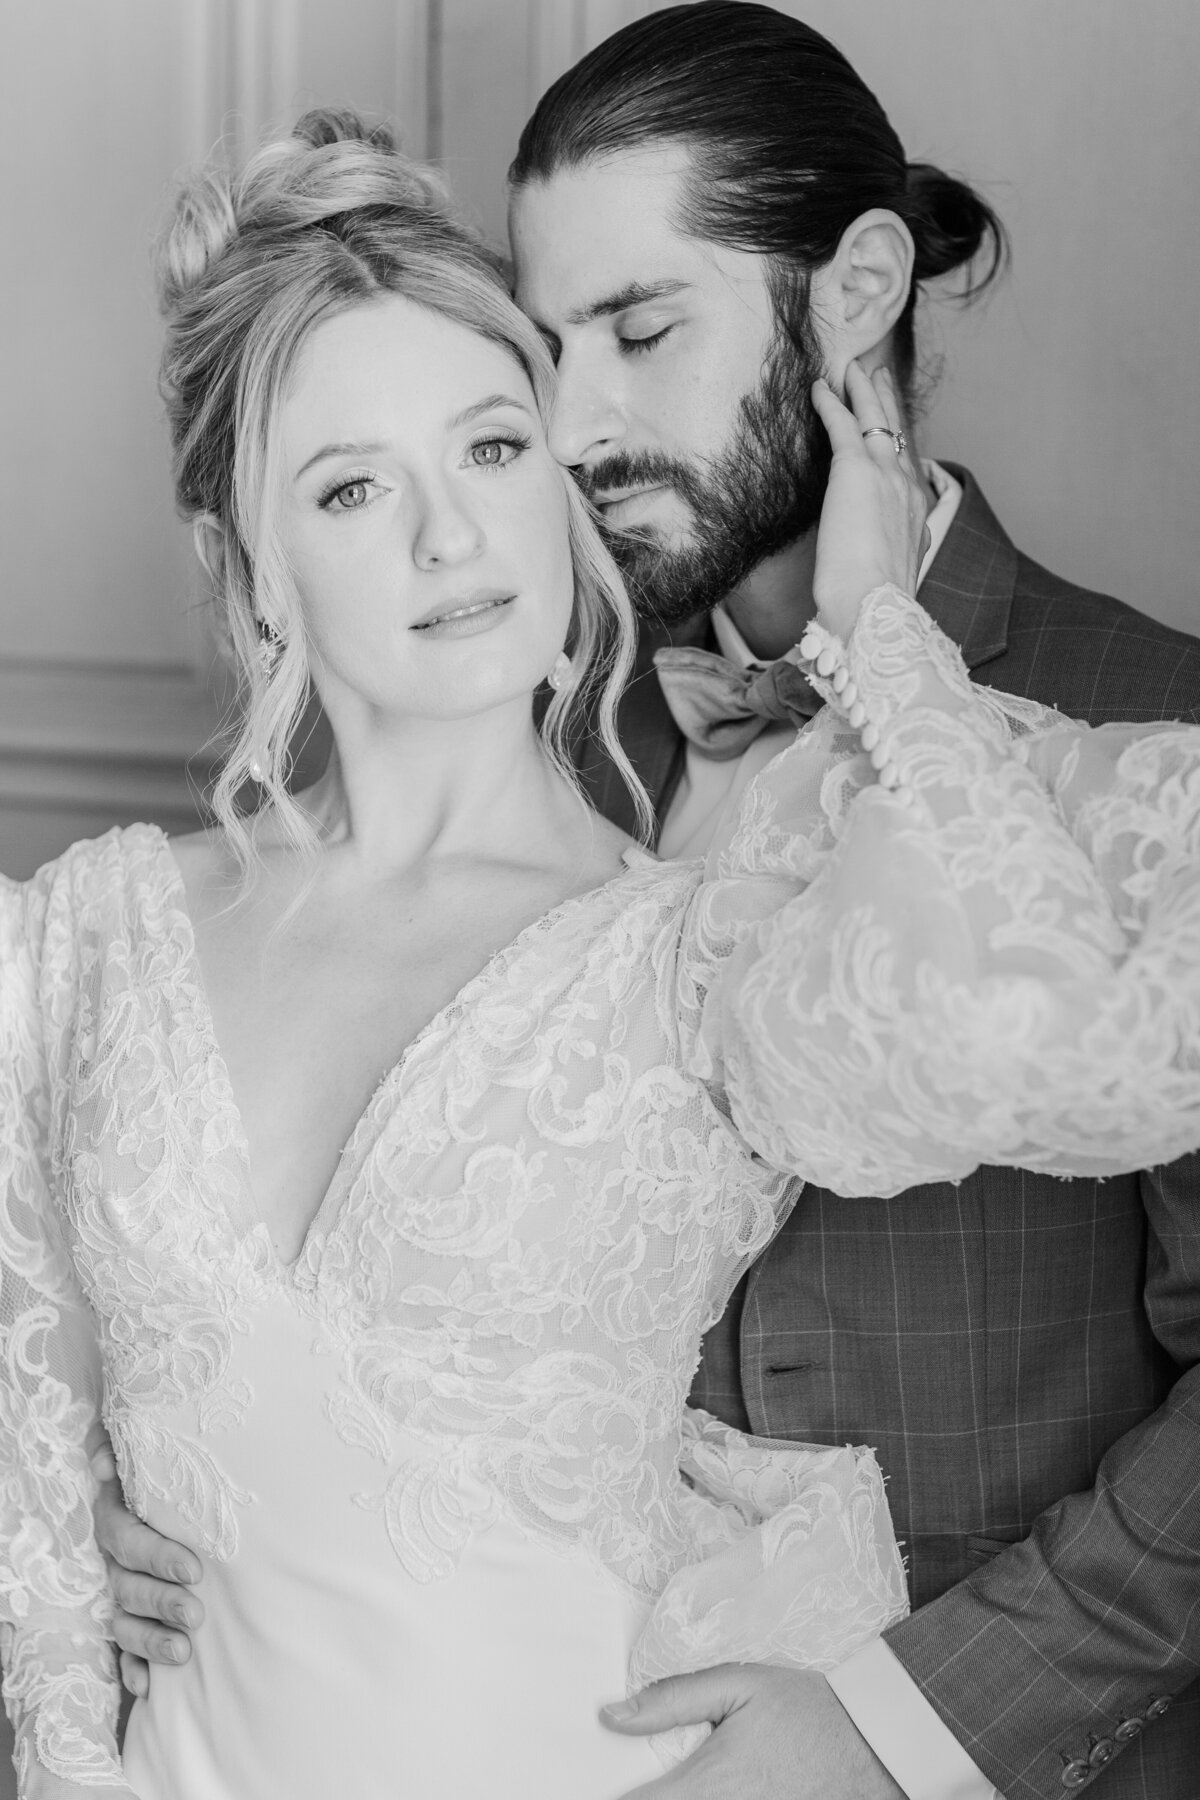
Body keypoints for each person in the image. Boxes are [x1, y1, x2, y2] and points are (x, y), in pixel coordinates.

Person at [88, 6, 1200, 1793]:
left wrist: (900, 1725)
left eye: (641, 327)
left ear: (853, 294)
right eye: (548, 348)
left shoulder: (1150, 729)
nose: (576, 417)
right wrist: (150, 1489)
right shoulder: (534, 710)